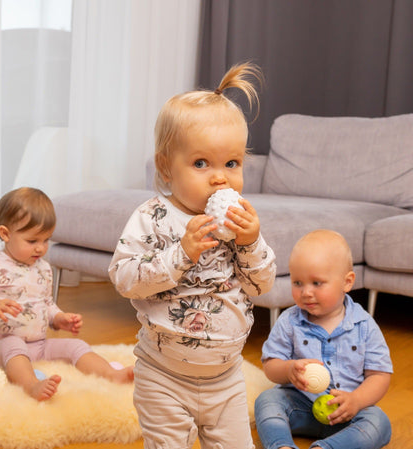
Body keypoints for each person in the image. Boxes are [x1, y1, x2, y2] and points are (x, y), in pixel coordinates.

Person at [108, 62, 277, 448]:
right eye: (201, 163)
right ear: (166, 167)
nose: (220, 177)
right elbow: (124, 278)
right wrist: (180, 253)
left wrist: (250, 242)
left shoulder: (239, 222)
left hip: (226, 378)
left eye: (231, 164)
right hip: (163, 377)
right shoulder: (152, 217)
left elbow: (263, 285)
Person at [0, 187, 133, 402]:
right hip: (1, 349)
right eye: (32, 241)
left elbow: (47, 304)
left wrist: (59, 318)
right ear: (5, 234)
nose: (40, 248)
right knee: (13, 344)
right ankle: (32, 386)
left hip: (39, 346)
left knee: (75, 346)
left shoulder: (43, 268)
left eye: (46, 240)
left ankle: (111, 374)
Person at [255, 229, 392, 449]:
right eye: (297, 283)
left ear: (347, 282)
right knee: (267, 401)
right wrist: (288, 369)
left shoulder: (364, 325)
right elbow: (270, 366)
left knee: (379, 423)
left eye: (316, 283)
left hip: (346, 414)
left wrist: (356, 401)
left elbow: (379, 375)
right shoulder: (289, 321)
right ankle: (282, 445)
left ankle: (326, 447)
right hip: (300, 406)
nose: (306, 292)